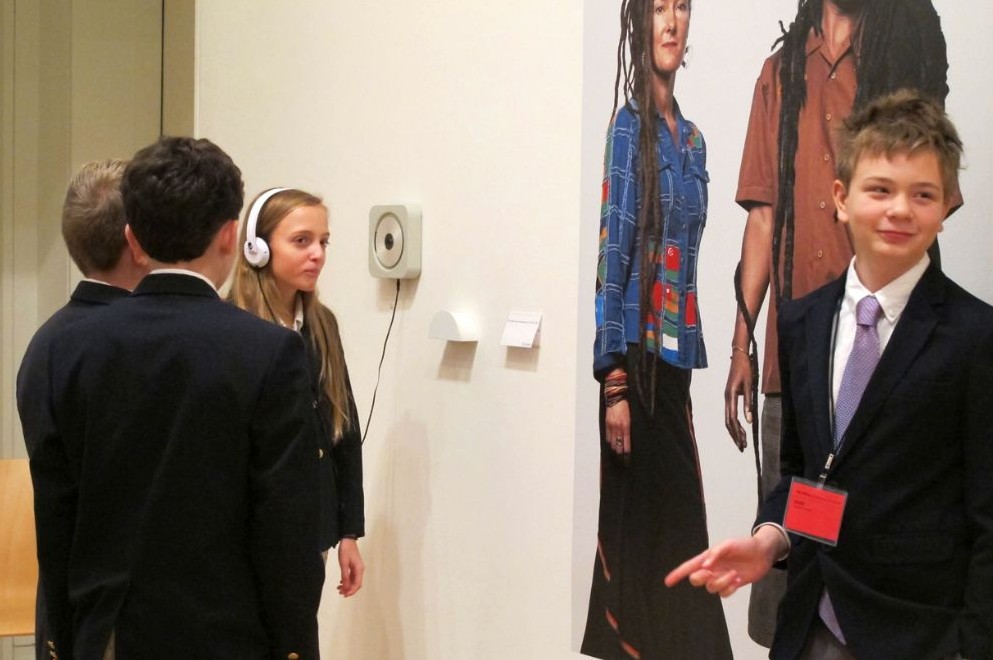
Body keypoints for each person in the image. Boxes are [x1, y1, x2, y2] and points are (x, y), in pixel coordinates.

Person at [668, 90, 992, 660]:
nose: (899, 210)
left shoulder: (975, 336)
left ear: (944, 209)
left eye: (923, 194)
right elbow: (810, 474)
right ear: (841, 199)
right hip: (809, 623)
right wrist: (770, 541)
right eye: (880, 189)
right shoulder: (802, 322)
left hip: (920, 635)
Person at [30, 137, 324, 659]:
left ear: (133, 238)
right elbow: (286, 531)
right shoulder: (269, 351)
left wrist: (64, 642)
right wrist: (296, 649)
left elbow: (56, 517)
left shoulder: (68, 346)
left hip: (110, 633)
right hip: (227, 637)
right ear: (230, 235)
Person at [722, 0, 954, 645]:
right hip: (798, 358)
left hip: (888, 353)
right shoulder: (781, 74)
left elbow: (926, 194)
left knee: (885, 539)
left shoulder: (902, 52)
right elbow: (763, 217)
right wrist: (743, 344)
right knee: (795, 539)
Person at [581, 1, 732, 658]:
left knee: (679, 532)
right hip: (634, 367)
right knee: (641, 540)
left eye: (681, 7)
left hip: (673, 363)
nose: (671, 22)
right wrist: (612, 378)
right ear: (637, 24)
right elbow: (612, 251)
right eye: (658, 9)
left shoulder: (692, 141)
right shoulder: (628, 129)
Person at [16, 159, 148, 660]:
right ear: (138, 240)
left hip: (66, 602)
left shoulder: (47, 343)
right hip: (128, 614)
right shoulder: (143, 345)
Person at [229, 187, 365, 597]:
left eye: (323, 242)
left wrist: (349, 532)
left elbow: (344, 429)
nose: (317, 254)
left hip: (312, 528)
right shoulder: (230, 326)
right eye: (302, 241)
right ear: (257, 249)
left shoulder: (322, 324)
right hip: (248, 531)